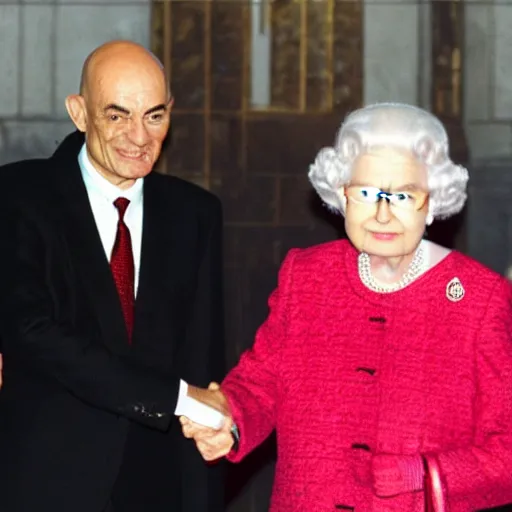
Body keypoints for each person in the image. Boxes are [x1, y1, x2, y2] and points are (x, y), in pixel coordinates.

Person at [181, 103, 512, 511]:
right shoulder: (305, 276)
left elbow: (507, 451)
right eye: (367, 193)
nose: (382, 214)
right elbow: (260, 384)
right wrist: (227, 419)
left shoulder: (479, 298)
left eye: (404, 195)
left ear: (433, 200)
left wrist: (424, 476)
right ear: (341, 193)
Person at [0, 40, 227, 512]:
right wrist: (182, 399)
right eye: (117, 115)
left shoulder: (195, 214)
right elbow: (32, 330)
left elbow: (203, 359)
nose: (139, 137)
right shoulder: (18, 195)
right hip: (43, 485)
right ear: (79, 113)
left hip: (156, 488)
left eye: (154, 115)